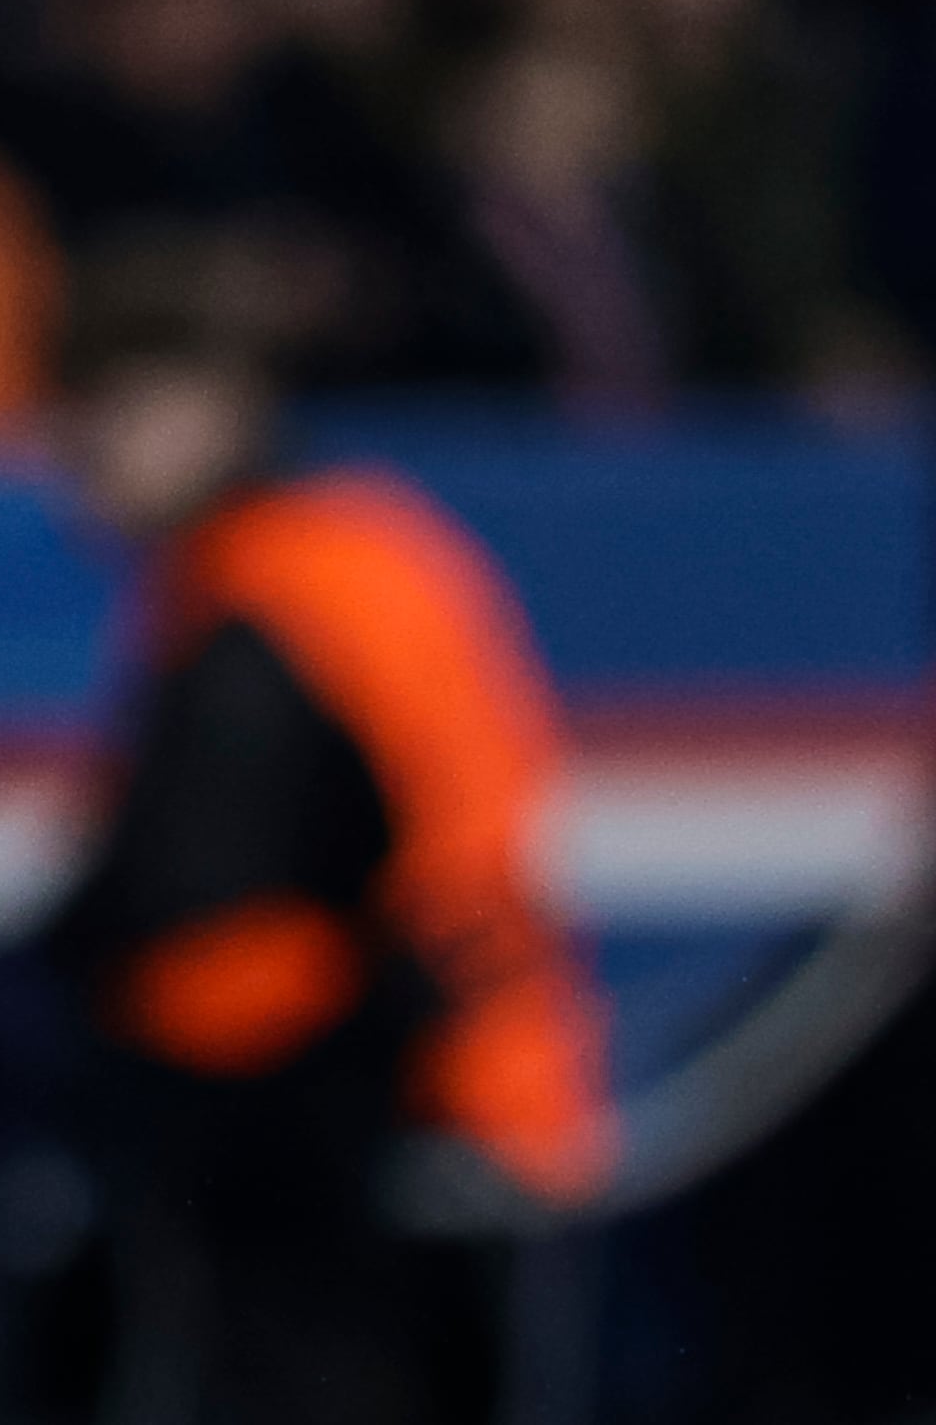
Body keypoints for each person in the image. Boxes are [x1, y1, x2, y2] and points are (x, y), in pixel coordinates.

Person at [50, 262, 612, 1425]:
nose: (82, 452)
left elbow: (179, 884)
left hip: (362, 1100)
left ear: (221, 407)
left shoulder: (268, 595)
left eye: (114, 409)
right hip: (464, 1066)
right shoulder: (359, 546)